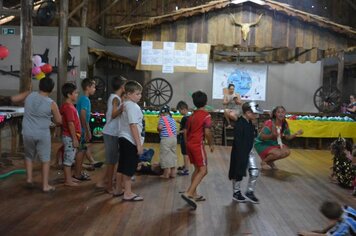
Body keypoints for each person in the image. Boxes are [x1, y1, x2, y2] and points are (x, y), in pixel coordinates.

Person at [22, 77, 61, 192]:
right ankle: (45, 186)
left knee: (29, 155)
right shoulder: (51, 103)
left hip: (27, 132)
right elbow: (59, 121)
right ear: (51, 89)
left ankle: (29, 179)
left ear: (39, 86)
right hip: (42, 134)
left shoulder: (29, 96)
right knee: (45, 159)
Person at [181, 91, 214, 210]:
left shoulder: (191, 115)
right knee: (204, 170)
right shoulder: (206, 115)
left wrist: (187, 144)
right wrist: (211, 144)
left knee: (197, 169)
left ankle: (193, 193)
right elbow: (207, 132)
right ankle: (189, 192)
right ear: (206, 102)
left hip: (189, 144)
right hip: (197, 145)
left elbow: (185, 132)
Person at [114, 80, 144, 201]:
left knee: (122, 165)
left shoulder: (125, 104)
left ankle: (117, 189)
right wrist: (139, 145)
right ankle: (128, 192)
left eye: (140, 93)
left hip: (123, 137)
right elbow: (133, 125)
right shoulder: (132, 106)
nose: (140, 96)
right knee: (129, 167)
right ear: (129, 94)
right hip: (130, 139)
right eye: (137, 94)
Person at [229, 102, 264, 204]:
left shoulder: (249, 123)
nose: (256, 116)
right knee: (238, 172)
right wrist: (241, 155)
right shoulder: (240, 124)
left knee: (254, 172)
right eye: (254, 114)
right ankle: (236, 192)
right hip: (240, 152)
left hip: (249, 151)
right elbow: (238, 141)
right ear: (248, 113)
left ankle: (250, 192)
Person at [96, 76, 126, 194]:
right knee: (111, 161)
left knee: (113, 160)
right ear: (122, 86)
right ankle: (108, 186)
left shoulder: (115, 97)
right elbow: (113, 114)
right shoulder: (116, 99)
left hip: (113, 132)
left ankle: (105, 181)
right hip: (111, 132)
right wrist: (122, 109)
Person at [60, 83, 83, 186]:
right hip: (70, 137)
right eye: (75, 93)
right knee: (68, 159)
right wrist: (74, 139)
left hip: (71, 136)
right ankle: (68, 180)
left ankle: (69, 178)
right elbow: (70, 124)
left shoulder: (68, 106)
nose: (77, 94)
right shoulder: (68, 107)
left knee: (70, 157)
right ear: (69, 95)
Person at [75, 78, 96, 181]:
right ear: (88, 88)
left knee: (82, 149)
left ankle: (79, 171)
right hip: (82, 129)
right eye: (93, 87)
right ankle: (77, 174)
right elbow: (83, 115)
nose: (94, 89)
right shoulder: (85, 99)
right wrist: (87, 130)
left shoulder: (84, 99)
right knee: (81, 151)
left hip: (81, 128)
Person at [157, 105, 177, 179]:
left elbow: (160, 128)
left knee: (165, 156)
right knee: (173, 155)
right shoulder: (172, 119)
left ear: (162, 113)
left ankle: (166, 174)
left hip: (166, 139)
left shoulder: (162, 118)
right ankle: (173, 173)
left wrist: (158, 129)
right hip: (174, 139)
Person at [176, 100, 190, 176]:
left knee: (185, 154)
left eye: (179, 110)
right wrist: (179, 122)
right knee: (185, 153)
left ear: (183, 109)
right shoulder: (188, 117)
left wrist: (178, 132)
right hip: (187, 138)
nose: (179, 112)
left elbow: (185, 130)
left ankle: (186, 169)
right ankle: (185, 166)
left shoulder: (185, 118)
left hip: (185, 139)